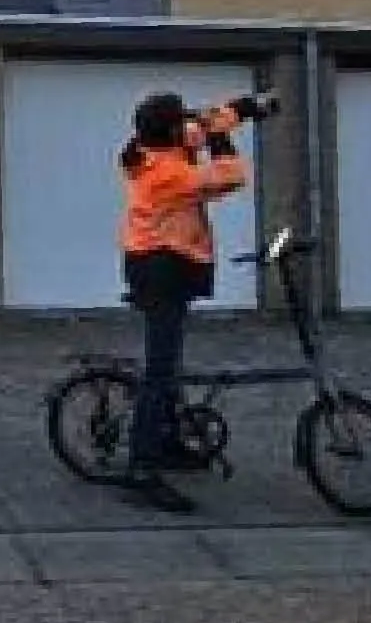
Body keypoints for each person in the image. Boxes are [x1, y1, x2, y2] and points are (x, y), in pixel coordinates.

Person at [116, 90, 272, 514]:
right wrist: (222, 137)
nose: (187, 123)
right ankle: (142, 468)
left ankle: (166, 443)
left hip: (167, 263)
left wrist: (245, 109)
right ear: (167, 130)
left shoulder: (154, 147)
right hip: (160, 268)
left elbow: (199, 126)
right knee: (160, 371)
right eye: (178, 119)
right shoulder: (164, 174)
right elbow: (230, 176)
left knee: (170, 367)